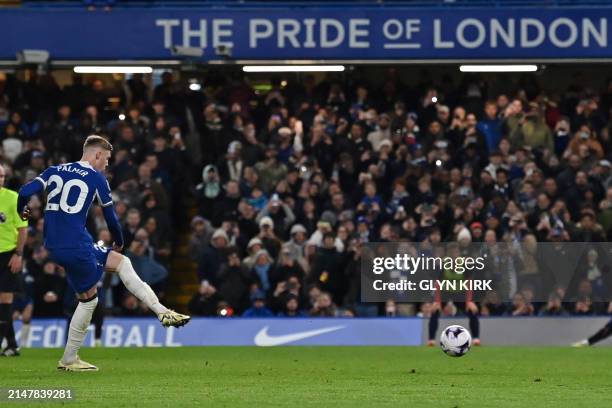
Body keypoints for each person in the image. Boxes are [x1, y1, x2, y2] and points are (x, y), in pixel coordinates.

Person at [17, 135, 190, 371]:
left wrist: (23, 211)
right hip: (75, 245)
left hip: (56, 245)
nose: (107, 164)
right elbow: (111, 218)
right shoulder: (97, 178)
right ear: (97, 154)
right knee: (90, 301)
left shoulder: (52, 170)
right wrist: (119, 240)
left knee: (121, 263)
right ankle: (69, 359)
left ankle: (162, 311)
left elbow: (25, 190)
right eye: (107, 159)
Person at [0, 164, 28, 356]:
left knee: (5, 298)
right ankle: (12, 344)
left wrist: (18, 254)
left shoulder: (14, 198)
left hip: (8, 255)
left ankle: (5, 342)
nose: (0, 179)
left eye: (2, 176)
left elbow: (23, 229)